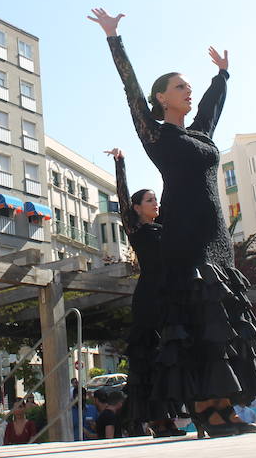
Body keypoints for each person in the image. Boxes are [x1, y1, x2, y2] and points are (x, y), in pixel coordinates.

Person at [90, 8, 256, 438]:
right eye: (180, 87)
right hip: (183, 237)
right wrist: (115, 39)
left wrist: (222, 76)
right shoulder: (156, 134)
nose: (188, 91)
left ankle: (221, 405)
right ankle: (206, 407)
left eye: (188, 86)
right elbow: (130, 89)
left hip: (216, 236)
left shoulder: (200, 134)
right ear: (162, 98)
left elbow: (211, 108)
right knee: (197, 317)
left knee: (219, 319)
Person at [104, 147, 182, 438]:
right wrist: (120, 164)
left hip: (169, 296)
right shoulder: (136, 229)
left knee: (169, 357)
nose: (155, 203)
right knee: (150, 358)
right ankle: (157, 420)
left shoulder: (164, 227)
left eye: (155, 199)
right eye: (150, 200)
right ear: (137, 207)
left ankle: (169, 418)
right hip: (149, 298)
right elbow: (122, 196)